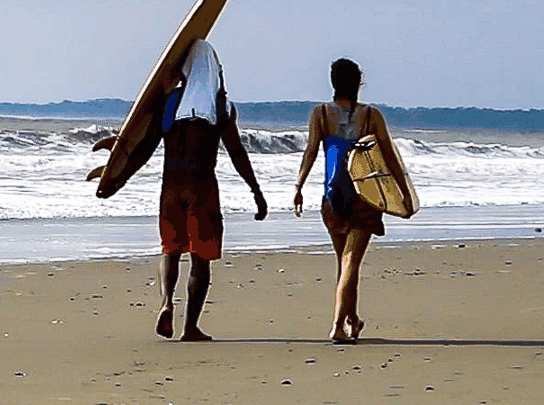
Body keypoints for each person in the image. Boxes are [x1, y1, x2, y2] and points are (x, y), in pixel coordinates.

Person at [292, 58, 415, 343]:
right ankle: (337, 325)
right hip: (365, 198)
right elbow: (390, 157)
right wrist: (404, 193)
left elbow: (310, 152)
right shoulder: (371, 116)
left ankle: (352, 320)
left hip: (331, 198)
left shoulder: (321, 114)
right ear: (358, 82)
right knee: (350, 262)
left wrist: (298, 186)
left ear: (333, 82)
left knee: (345, 263)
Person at [152, 39, 267, 341]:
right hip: (201, 189)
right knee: (200, 259)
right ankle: (190, 327)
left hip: (170, 188)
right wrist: (256, 191)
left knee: (171, 251)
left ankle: (166, 302)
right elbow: (236, 152)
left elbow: (142, 145)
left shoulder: (170, 102)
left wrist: (116, 168)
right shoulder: (220, 106)